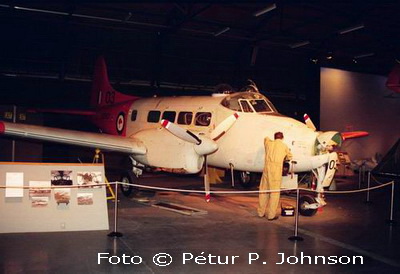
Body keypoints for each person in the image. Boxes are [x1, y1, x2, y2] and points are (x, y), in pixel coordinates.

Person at [258, 132, 292, 220]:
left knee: (263, 191)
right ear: (282, 138)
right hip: (276, 171)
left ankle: (260, 213)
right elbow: (289, 157)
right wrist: (284, 158)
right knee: (274, 193)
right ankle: (271, 215)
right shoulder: (284, 146)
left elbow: (266, 138)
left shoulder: (268, 143)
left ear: (275, 137)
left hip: (266, 169)